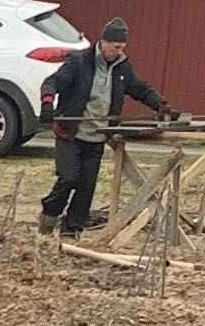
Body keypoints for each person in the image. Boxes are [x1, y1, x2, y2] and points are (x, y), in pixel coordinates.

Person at [38, 16, 168, 233]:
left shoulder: (122, 68)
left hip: (97, 137)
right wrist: (47, 103)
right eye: (116, 46)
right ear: (104, 41)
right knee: (68, 178)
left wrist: (162, 105)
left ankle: (72, 232)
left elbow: (140, 89)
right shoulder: (79, 61)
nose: (119, 51)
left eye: (122, 47)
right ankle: (49, 216)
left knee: (86, 188)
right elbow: (51, 82)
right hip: (70, 134)